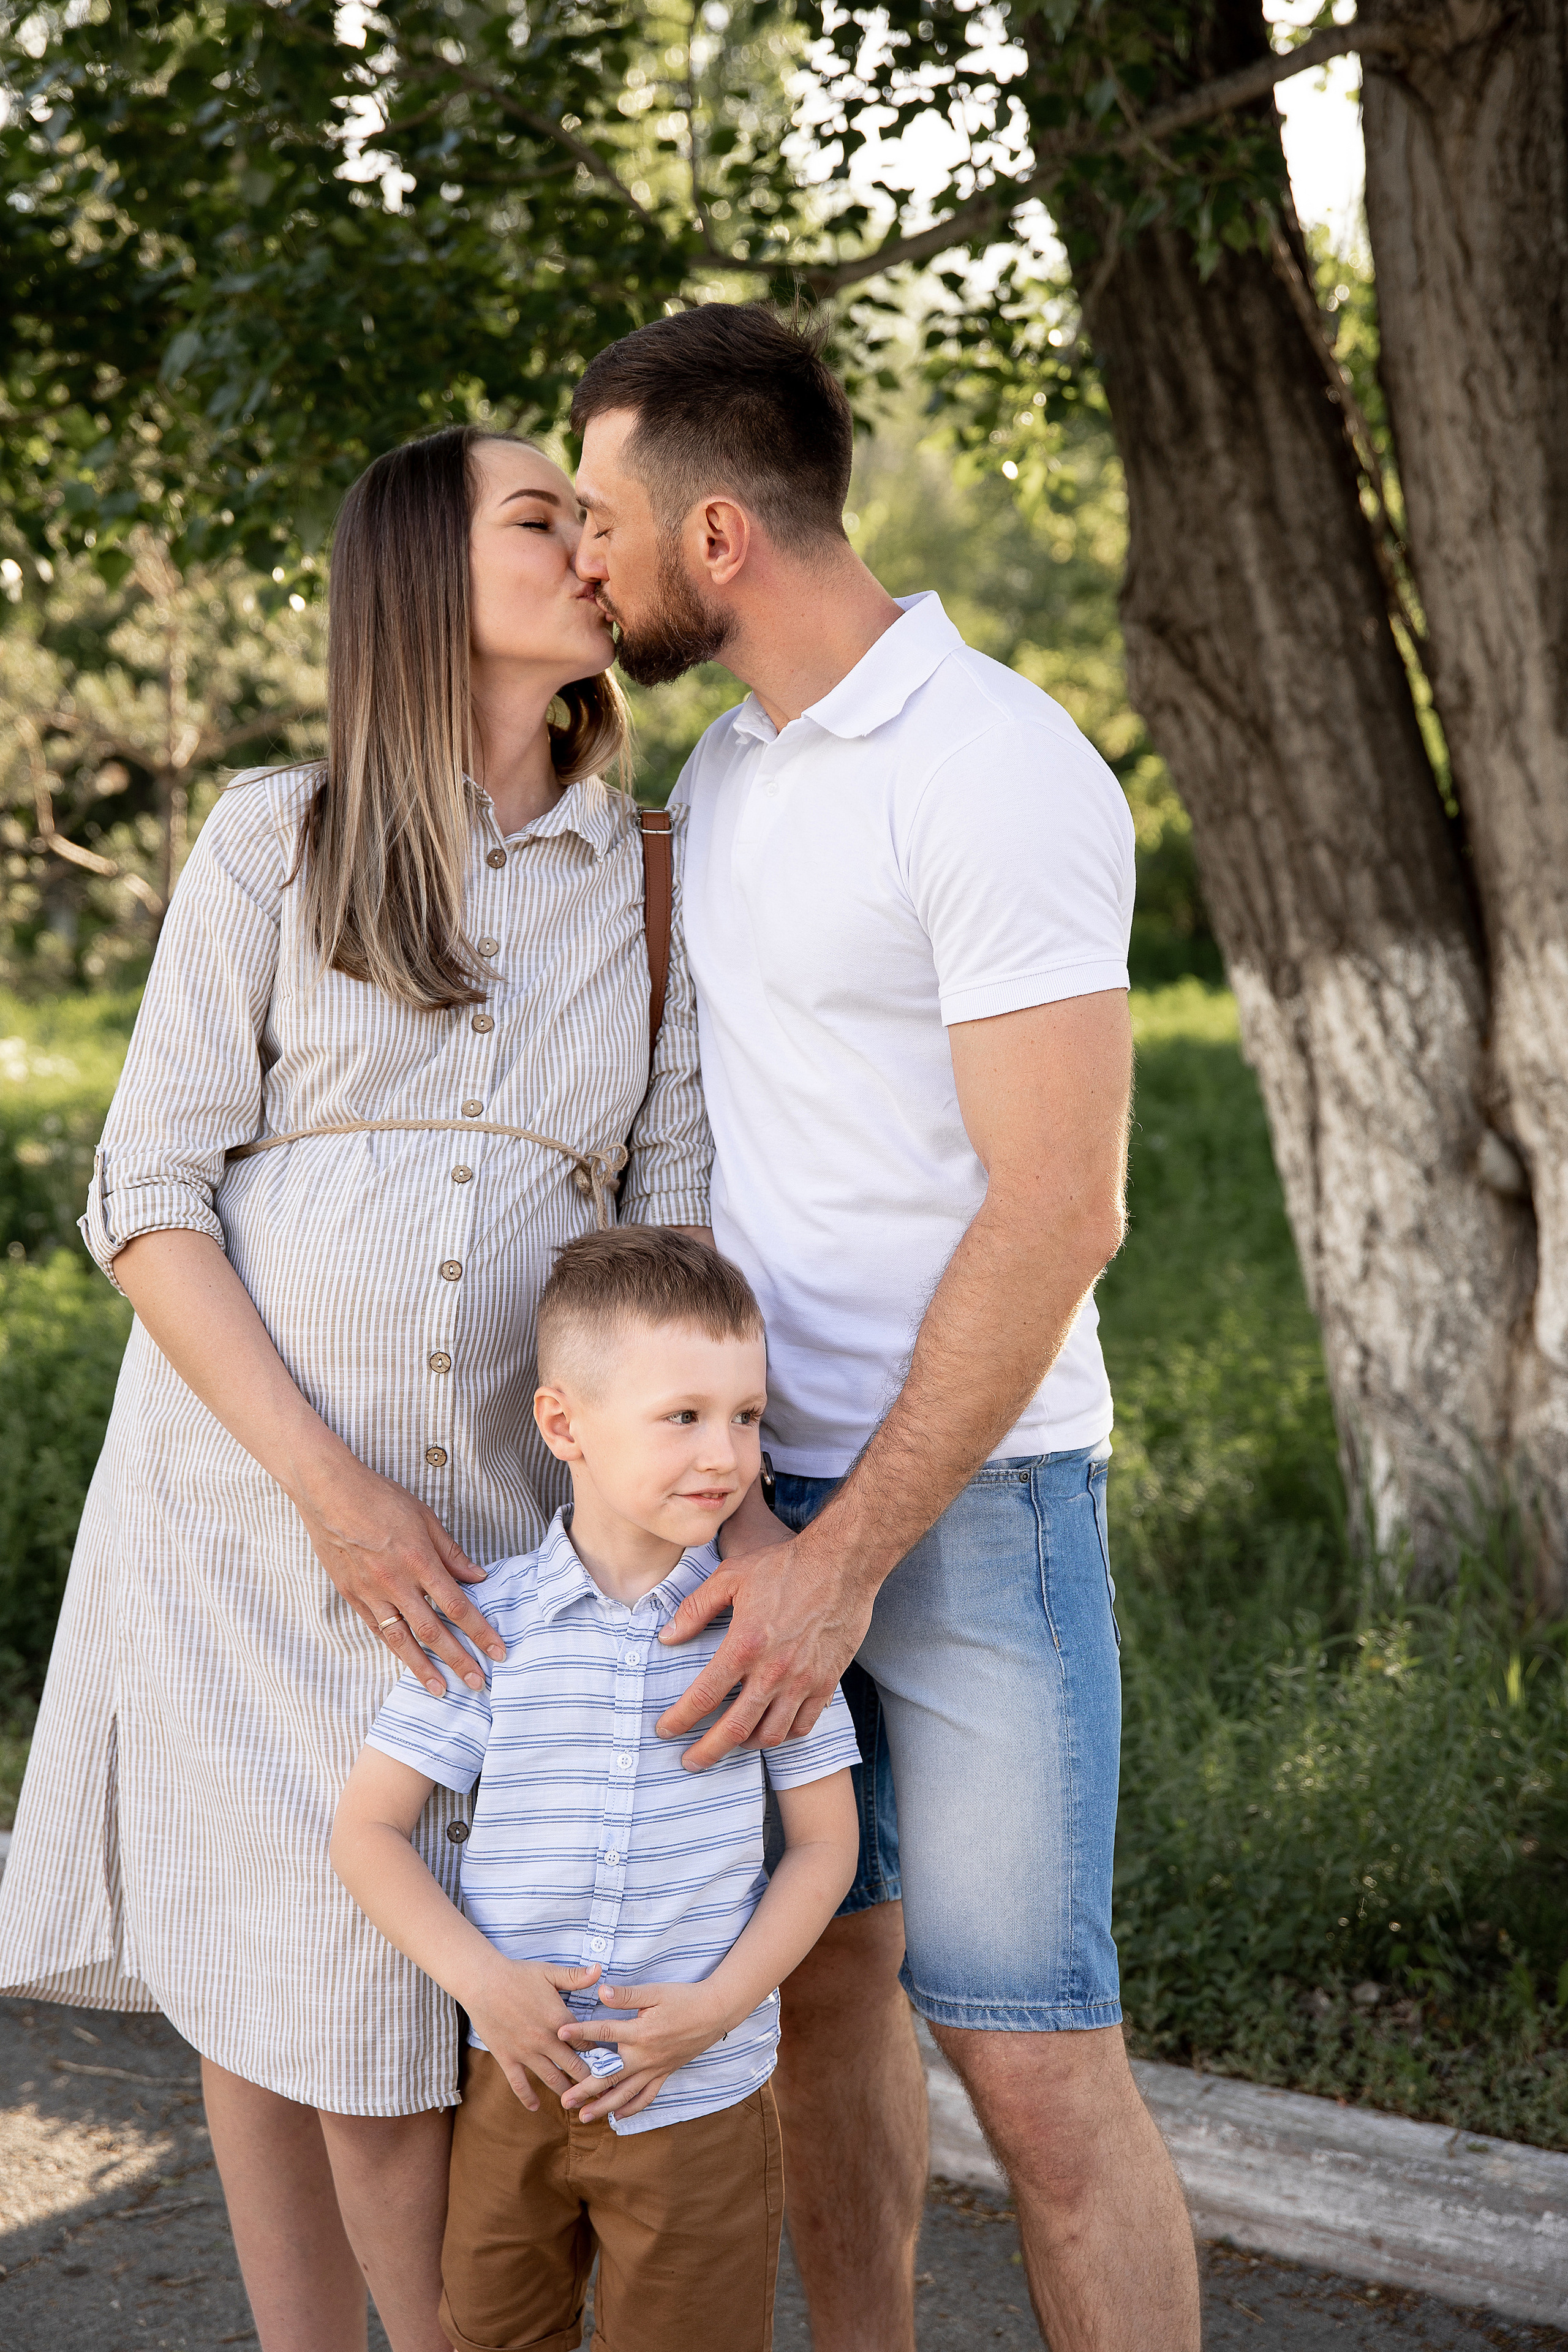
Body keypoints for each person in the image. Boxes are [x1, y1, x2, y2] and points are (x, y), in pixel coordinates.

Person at [0, 427, 739, 2352]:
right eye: (541, 518)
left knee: (398, 2028)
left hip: (494, 1532)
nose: (591, 547)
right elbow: (145, 1192)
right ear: (420, 578)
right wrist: (330, 1492)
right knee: (281, 1984)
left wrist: (689, 1512)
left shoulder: (654, 878)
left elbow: (668, 1230)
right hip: (239, 1514)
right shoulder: (279, 834)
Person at [570, 304, 1204, 2352]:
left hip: (977, 1508)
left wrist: (843, 1558)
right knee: (824, 1997)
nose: (585, 563)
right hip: (757, 1501)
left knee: (1033, 2057)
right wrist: (745, 1504)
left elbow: (1064, 1203)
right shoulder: (732, 773)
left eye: (602, 521)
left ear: (720, 535)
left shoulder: (994, 766)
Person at [332, 1226, 861, 2352]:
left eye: (748, 1416)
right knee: (494, 2337)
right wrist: (483, 1985)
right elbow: (368, 1831)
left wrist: (719, 2008)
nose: (727, 1455)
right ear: (564, 1425)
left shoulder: (769, 1639)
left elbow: (826, 1846)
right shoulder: (492, 1628)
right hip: (516, 2081)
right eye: (684, 1416)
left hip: (699, 2096)